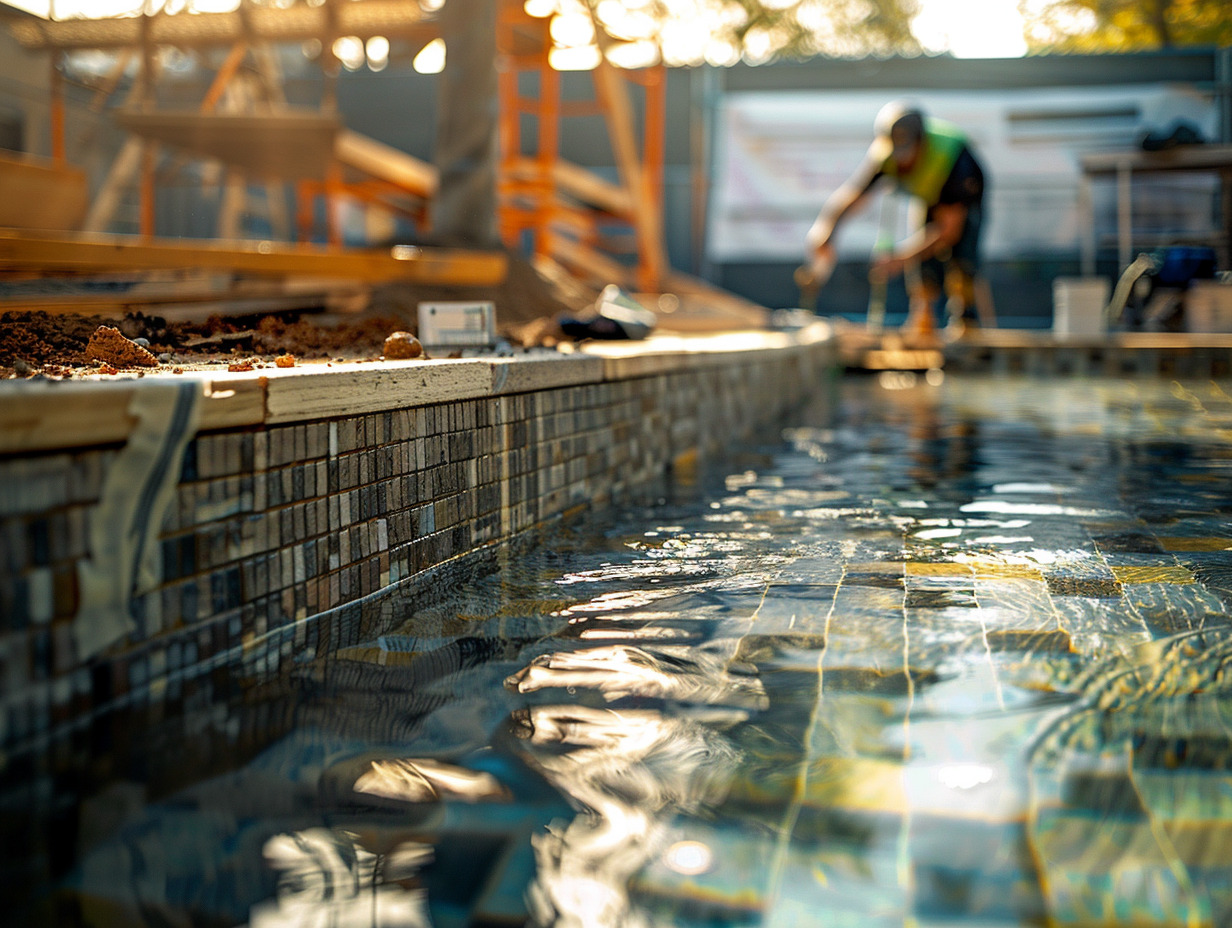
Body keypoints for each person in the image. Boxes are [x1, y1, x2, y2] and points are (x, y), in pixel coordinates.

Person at [805, 100, 986, 340]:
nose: (902, 161)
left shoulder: (955, 161)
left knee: (961, 257)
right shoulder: (885, 154)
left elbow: (948, 230)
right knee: (922, 258)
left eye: (908, 152)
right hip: (928, 197)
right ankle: (923, 318)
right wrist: (828, 229)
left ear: (922, 143)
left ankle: (965, 323)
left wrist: (901, 258)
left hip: (961, 199)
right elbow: (855, 193)